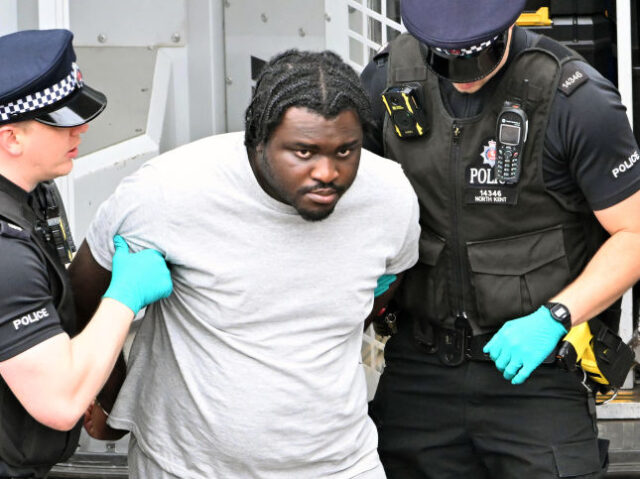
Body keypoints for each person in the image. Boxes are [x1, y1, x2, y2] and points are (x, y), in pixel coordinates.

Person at [69, 49, 420, 479]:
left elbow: (388, 282)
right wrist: (113, 395)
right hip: (186, 467)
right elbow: (83, 291)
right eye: (304, 152)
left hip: (340, 464)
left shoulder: (389, 196)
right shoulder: (167, 191)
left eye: (346, 150)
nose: (328, 172)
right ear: (257, 138)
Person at [360, 0, 640, 477]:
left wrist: (556, 317)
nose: (463, 76)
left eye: (475, 58)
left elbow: (633, 232)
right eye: (445, 60)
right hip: (421, 369)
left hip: (535, 371)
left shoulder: (572, 95)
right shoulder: (388, 82)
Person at [0, 29, 173, 479]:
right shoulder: (5, 253)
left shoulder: (33, 193)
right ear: (11, 139)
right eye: (60, 121)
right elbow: (59, 401)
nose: (81, 128)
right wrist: (124, 297)